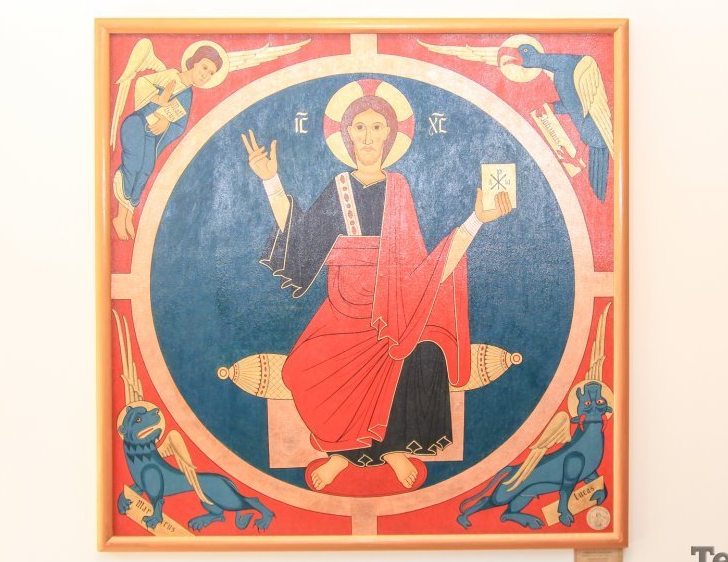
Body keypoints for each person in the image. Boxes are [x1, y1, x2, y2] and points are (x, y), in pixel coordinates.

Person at [243, 86, 513, 490]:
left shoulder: (398, 188)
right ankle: (339, 451)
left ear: (390, 135)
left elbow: (421, 268)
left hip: (394, 302)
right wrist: (270, 181)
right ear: (347, 134)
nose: (368, 136)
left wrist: (476, 220)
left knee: (415, 346)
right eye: (359, 127)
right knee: (301, 370)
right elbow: (300, 241)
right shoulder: (339, 187)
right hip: (343, 304)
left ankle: (392, 449)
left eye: (377, 127)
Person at [112, 46, 222, 240]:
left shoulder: (187, 95)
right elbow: (142, 83)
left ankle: (129, 216)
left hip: (150, 134)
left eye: (211, 73)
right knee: (133, 166)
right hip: (136, 125)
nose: (205, 75)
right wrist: (158, 100)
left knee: (146, 169)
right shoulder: (171, 76)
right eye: (204, 67)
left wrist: (166, 123)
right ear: (194, 62)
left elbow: (179, 125)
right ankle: (120, 218)